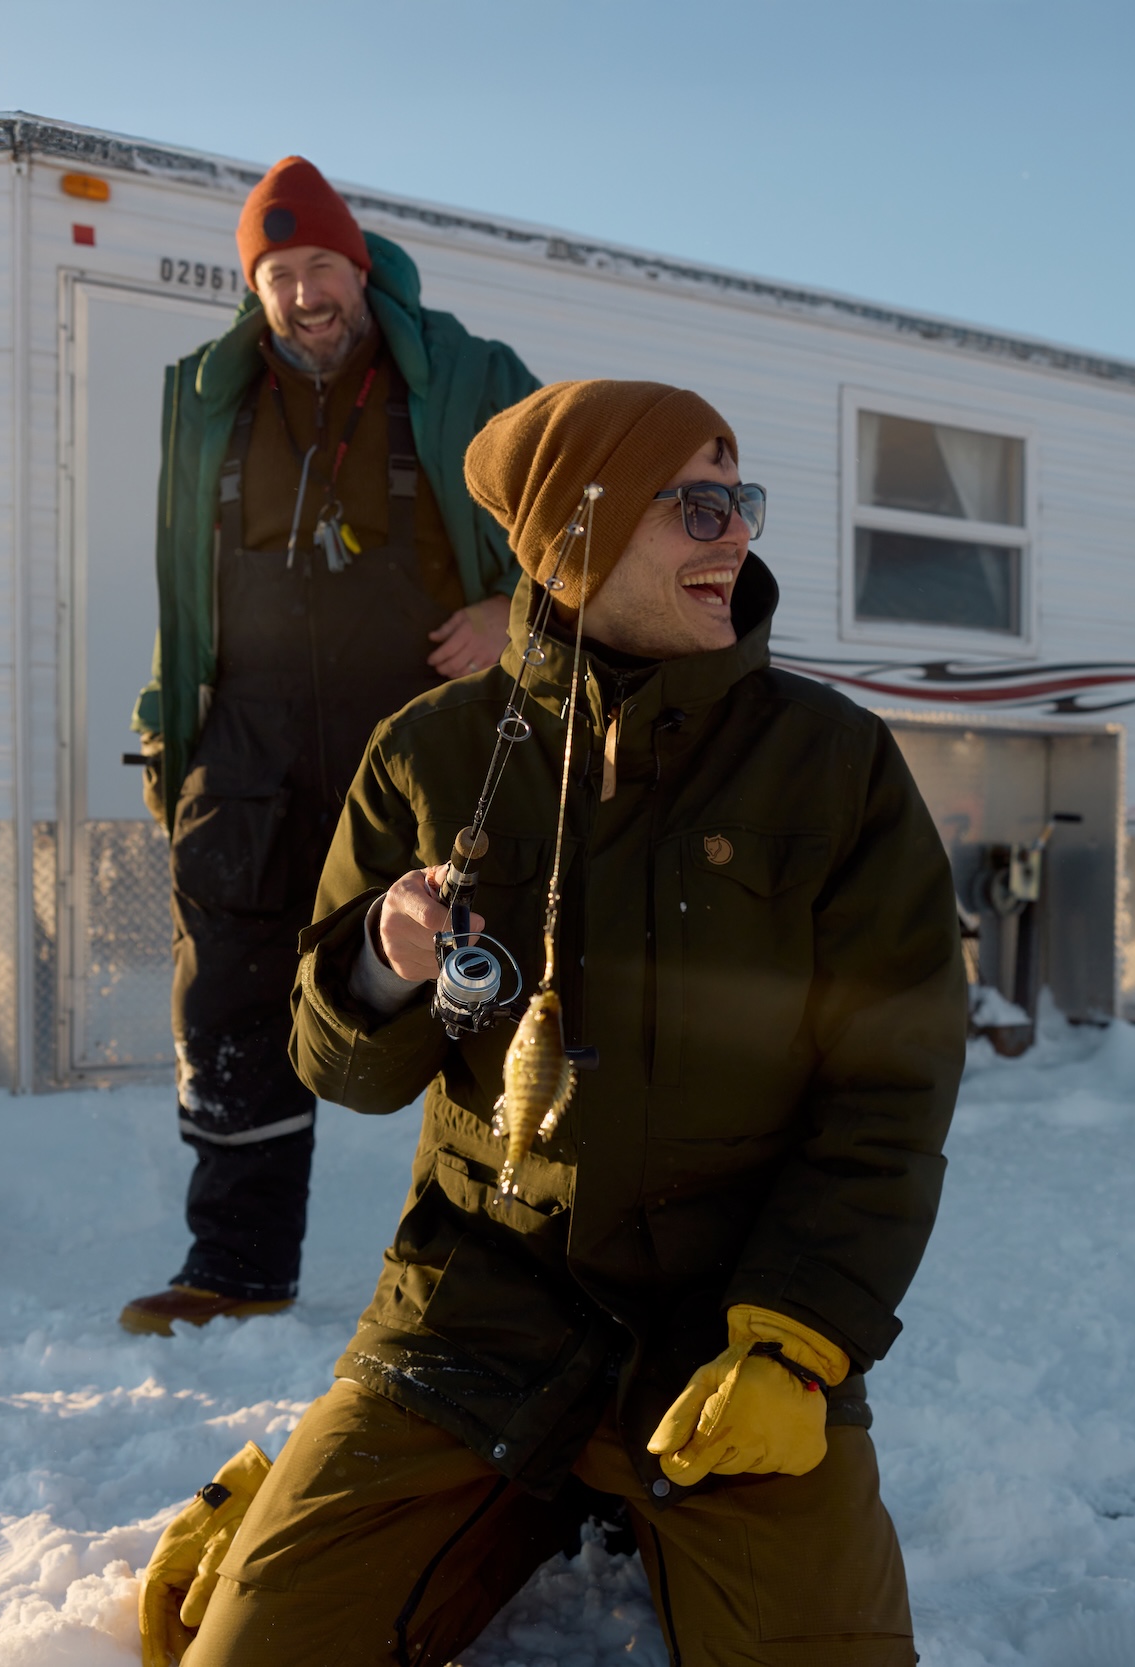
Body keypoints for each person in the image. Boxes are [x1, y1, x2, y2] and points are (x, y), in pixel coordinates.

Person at [155, 380, 967, 1663]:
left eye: (741, 500)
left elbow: (892, 1087)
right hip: (473, 1318)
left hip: (726, 1336)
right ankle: (398, 1502)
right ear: (574, 528)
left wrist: (799, 1343)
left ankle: (616, 1489)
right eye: (698, 501)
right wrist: (381, 959)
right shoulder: (427, 752)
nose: (737, 534)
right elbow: (337, 1065)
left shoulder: (835, 762)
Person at [122, 157, 540, 1335]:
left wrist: (514, 611)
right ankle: (236, 1269)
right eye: (278, 272)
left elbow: (577, 514)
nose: (305, 293)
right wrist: (174, 725)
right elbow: (181, 587)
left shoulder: (464, 374)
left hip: (419, 730)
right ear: (252, 286)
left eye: (322, 268)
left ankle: (506, 1273)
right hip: (246, 735)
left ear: (361, 270)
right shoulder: (209, 395)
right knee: (233, 1003)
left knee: (477, 983)